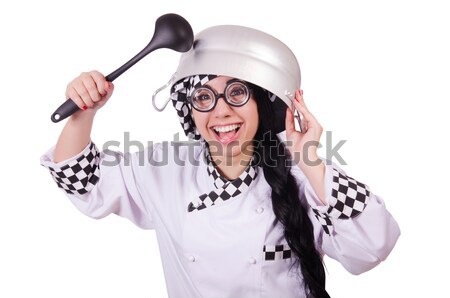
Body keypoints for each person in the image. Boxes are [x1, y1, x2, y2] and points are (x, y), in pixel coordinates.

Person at [41, 25, 400, 298]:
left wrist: (310, 159)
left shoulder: (300, 171)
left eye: (237, 92)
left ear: (262, 101)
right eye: (203, 97)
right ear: (190, 110)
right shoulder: (164, 170)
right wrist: (82, 114)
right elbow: (83, 181)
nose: (221, 111)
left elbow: (371, 248)